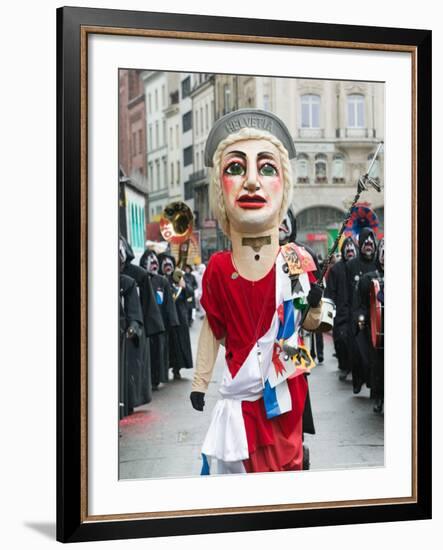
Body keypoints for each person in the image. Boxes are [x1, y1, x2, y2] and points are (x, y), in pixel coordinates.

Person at [190, 109, 323, 475]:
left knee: (284, 474)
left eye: (267, 168)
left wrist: (313, 304)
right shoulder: (217, 268)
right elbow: (212, 330)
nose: (251, 182)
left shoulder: (294, 260)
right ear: (220, 187)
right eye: (235, 168)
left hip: (284, 389)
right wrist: (200, 382)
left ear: (284, 185)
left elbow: (309, 324)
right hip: (239, 395)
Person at [119, 236, 165, 406]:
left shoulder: (138, 275)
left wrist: (144, 327)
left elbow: (148, 303)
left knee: (132, 369)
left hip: (136, 326)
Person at [139, 249, 180, 389]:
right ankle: (148, 380)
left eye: (155, 259)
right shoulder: (140, 279)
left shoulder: (162, 281)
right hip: (145, 324)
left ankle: (156, 380)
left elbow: (169, 303)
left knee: (158, 353)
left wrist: (173, 322)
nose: (153, 262)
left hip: (160, 324)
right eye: (150, 259)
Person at [346, 227, 377, 394]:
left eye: (371, 244)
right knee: (357, 351)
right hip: (356, 313)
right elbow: (347, 291)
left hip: (374, 315)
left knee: (372, 353)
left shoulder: (378, 264)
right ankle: (357, 380)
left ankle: (374, 385)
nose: (368, 246)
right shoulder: (351, 265)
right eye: (365, 243)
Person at [324, 236, 358, 380]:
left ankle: (354, 367)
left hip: (356, 312)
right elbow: (330, 292)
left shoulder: (359, 266)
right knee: (341, 340)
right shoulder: (336, 270)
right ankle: (344, 366)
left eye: (352, 247)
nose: (349, 249)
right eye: (347, 247)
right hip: (341, 312)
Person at [357, 238, 384, 413]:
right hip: (377, 329)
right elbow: (363, 304)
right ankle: (379, 398)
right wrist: (364, 320)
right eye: (383, 252)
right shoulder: (369, 279)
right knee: (378, 365)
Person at [159, 253, 194, 379]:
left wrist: (183, 286)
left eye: (170, 264)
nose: (168, 266)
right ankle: (165, 370)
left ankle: (177, 369)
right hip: (165, 317)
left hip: (179, 316)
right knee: (168, 345)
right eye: (165, 264)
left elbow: (190, 293)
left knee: (179, 344)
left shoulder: (178, 277)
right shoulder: (159, 278)